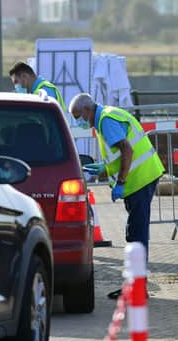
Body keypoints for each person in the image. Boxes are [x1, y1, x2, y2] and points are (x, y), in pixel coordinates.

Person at [69, 93, 165, 299]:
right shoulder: (109, 115)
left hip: (139, 179)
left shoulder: (106, 120)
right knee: (136, 233)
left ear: (87, 110)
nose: (79, 121)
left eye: (79, 116)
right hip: (143, 177)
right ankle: (136, 285)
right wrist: (105, 166)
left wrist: (120, 182)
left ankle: (137, 288)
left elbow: (127, 150)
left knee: (136, 235)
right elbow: (121, 152)